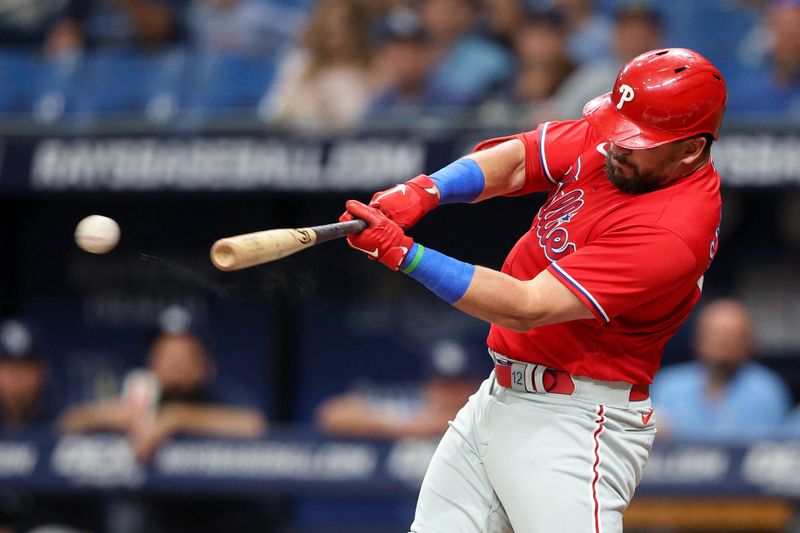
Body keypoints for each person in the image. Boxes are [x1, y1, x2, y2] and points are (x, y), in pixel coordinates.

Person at [339, 47, 727, 532]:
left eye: (636, 141)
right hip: (498, 396)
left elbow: (527, 305)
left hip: (574, 419)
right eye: (618, 129)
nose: (615, 145)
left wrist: (403, 254)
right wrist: (425, 191)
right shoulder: (627, 137)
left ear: (690, 149)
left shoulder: (672, 231)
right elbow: (521, 160)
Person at [59, 321, 266, 462]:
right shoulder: (141, 393)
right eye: (165, 357)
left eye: (183, 358)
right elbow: (67, 422)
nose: (173, 367)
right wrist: (107, 416)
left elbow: (253, 425)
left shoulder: (215, 392)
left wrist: (175, 418)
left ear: (205, 365)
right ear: (151, 362)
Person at [652, 298, 792, 440]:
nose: (724, 344)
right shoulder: (668, 386)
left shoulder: (767, 390)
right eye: (716, 335)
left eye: (733, 337)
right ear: (698, 339)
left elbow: (771, 451)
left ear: (749, 343)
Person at [316, 335, 490, 438]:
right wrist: (405, 427)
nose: (448, 393)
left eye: (458, 384)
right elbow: (332, 414)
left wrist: (437, 425)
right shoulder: (414, 408)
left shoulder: (486, 413)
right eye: (443, 383)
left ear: (475, 384)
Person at [259, 0, 380, 131]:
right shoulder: (300, 63)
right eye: (329, 33)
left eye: (343, 31)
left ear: (357, 31)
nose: (336, 40)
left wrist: (330, 110)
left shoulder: (373, 68)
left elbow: (370, 120)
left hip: (351, 146)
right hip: (300, 145)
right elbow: (270, 113)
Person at [553, 3, 664, 119]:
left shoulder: (668, 76)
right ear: (615, 35)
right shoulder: (596, 76)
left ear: (656, 36)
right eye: (628, 29)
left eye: (642, 29)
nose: (635, 36)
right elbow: (557, 113)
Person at [0, 319, 52, 431]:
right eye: (12, 369)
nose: (19, 378)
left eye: (26, 368)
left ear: (43, 371)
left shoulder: (59, 417)